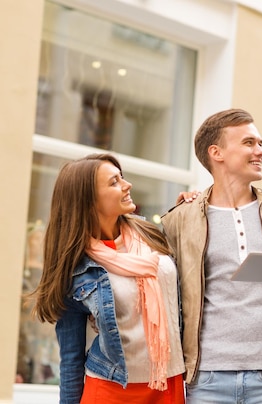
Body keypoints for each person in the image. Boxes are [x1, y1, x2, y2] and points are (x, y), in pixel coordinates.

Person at [160, 108, 262, 404]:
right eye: (249, 143)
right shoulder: (179, 220)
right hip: (206, 377)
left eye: (260, 143)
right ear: (217, 153)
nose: (260, 151)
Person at [32, 153, 185, 404]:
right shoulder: (76, 268)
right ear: (89, 201)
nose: (127, 185)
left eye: (121, 177)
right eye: (114, 182)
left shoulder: (150, 235)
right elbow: (71, 358)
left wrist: (193, 208)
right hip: (111, 390)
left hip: (168, 383)